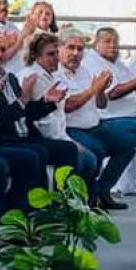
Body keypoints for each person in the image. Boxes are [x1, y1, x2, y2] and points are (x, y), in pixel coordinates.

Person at [82, 27, 136, 200]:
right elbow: (113, 94)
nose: (113, 45)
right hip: (109, 118)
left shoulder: (118, 64)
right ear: (96, 44)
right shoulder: (93, 63)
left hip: (132, 115)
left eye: (116, 42)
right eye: (107, 41)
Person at [0, 33, 62, 206]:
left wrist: (47, 102)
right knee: (33, 155)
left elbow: (26, 113)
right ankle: (24, 209)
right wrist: (21, 100)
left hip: (21, 134)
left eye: (3, 50)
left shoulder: (11, 78)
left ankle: (56, 206)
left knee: (62, 150)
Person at [58, 27, 136, 210]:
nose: (75, 53)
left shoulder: (84, 71)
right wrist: (93, 89)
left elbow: (101, 104)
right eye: (70, 48)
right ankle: (87, 199)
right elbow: (68, 106)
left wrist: (100, 90)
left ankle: (102, 191)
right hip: (71, 128)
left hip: (94, 124)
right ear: (60, 48)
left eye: (79, 49)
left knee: (127, 145)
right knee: (96, 150)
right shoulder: (56, 72)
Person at [17, 32, 98, 188]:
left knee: (91, 157)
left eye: (56, 53)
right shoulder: (35, 77)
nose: (56, 58)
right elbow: (45, 123)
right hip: (39, 137)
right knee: (87, 159)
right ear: (36, 56)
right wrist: (70, 142)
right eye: (50, 54)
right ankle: (63, 197)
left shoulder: (50, 76)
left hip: (59, 133)